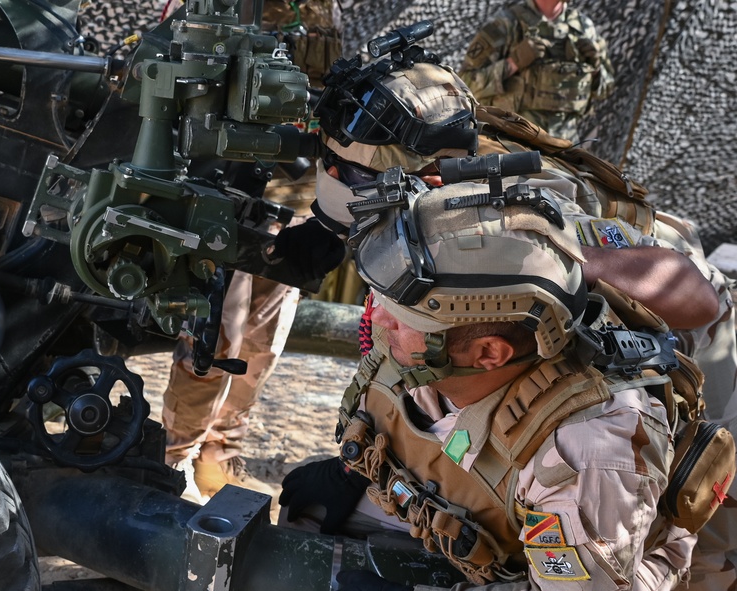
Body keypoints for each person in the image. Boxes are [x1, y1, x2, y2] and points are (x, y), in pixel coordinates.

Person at [299, 43, 736, 589]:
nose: (337, 176)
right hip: (503, 354)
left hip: (692, 319)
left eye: (350, 173)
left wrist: (559, 258)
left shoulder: (524, 209)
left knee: (701, 527)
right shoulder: (419, 207)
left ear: (425, 178)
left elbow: (695, 296)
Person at [158, 0, 346, 501]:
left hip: (294, 203)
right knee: (216, 339)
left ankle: (218, 456)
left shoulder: (323, 7)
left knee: (264, 346)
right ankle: (175, 459)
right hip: (227, 193)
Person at [457, 0, 615, 143]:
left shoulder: (584, 27)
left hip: (565, 144)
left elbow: (605, 90)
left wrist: (595, 69)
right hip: (513, 142)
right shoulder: (506, 24)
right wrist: (513, 63)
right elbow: (465, 84)